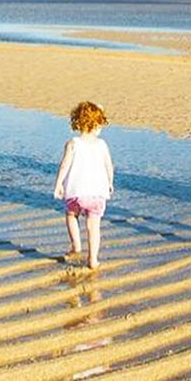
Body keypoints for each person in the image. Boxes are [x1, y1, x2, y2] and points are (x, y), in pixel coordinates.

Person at [53, 101, 114, 269]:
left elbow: (64, 165)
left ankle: (76, 246)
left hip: (76, 192)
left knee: (71, 215)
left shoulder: (72, 143)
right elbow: (109, 165)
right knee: (93, 226)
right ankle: (93, 259)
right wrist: (110, 182)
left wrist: (58, 184)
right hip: (97, 193)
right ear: (97, 125)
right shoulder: (101, 144)